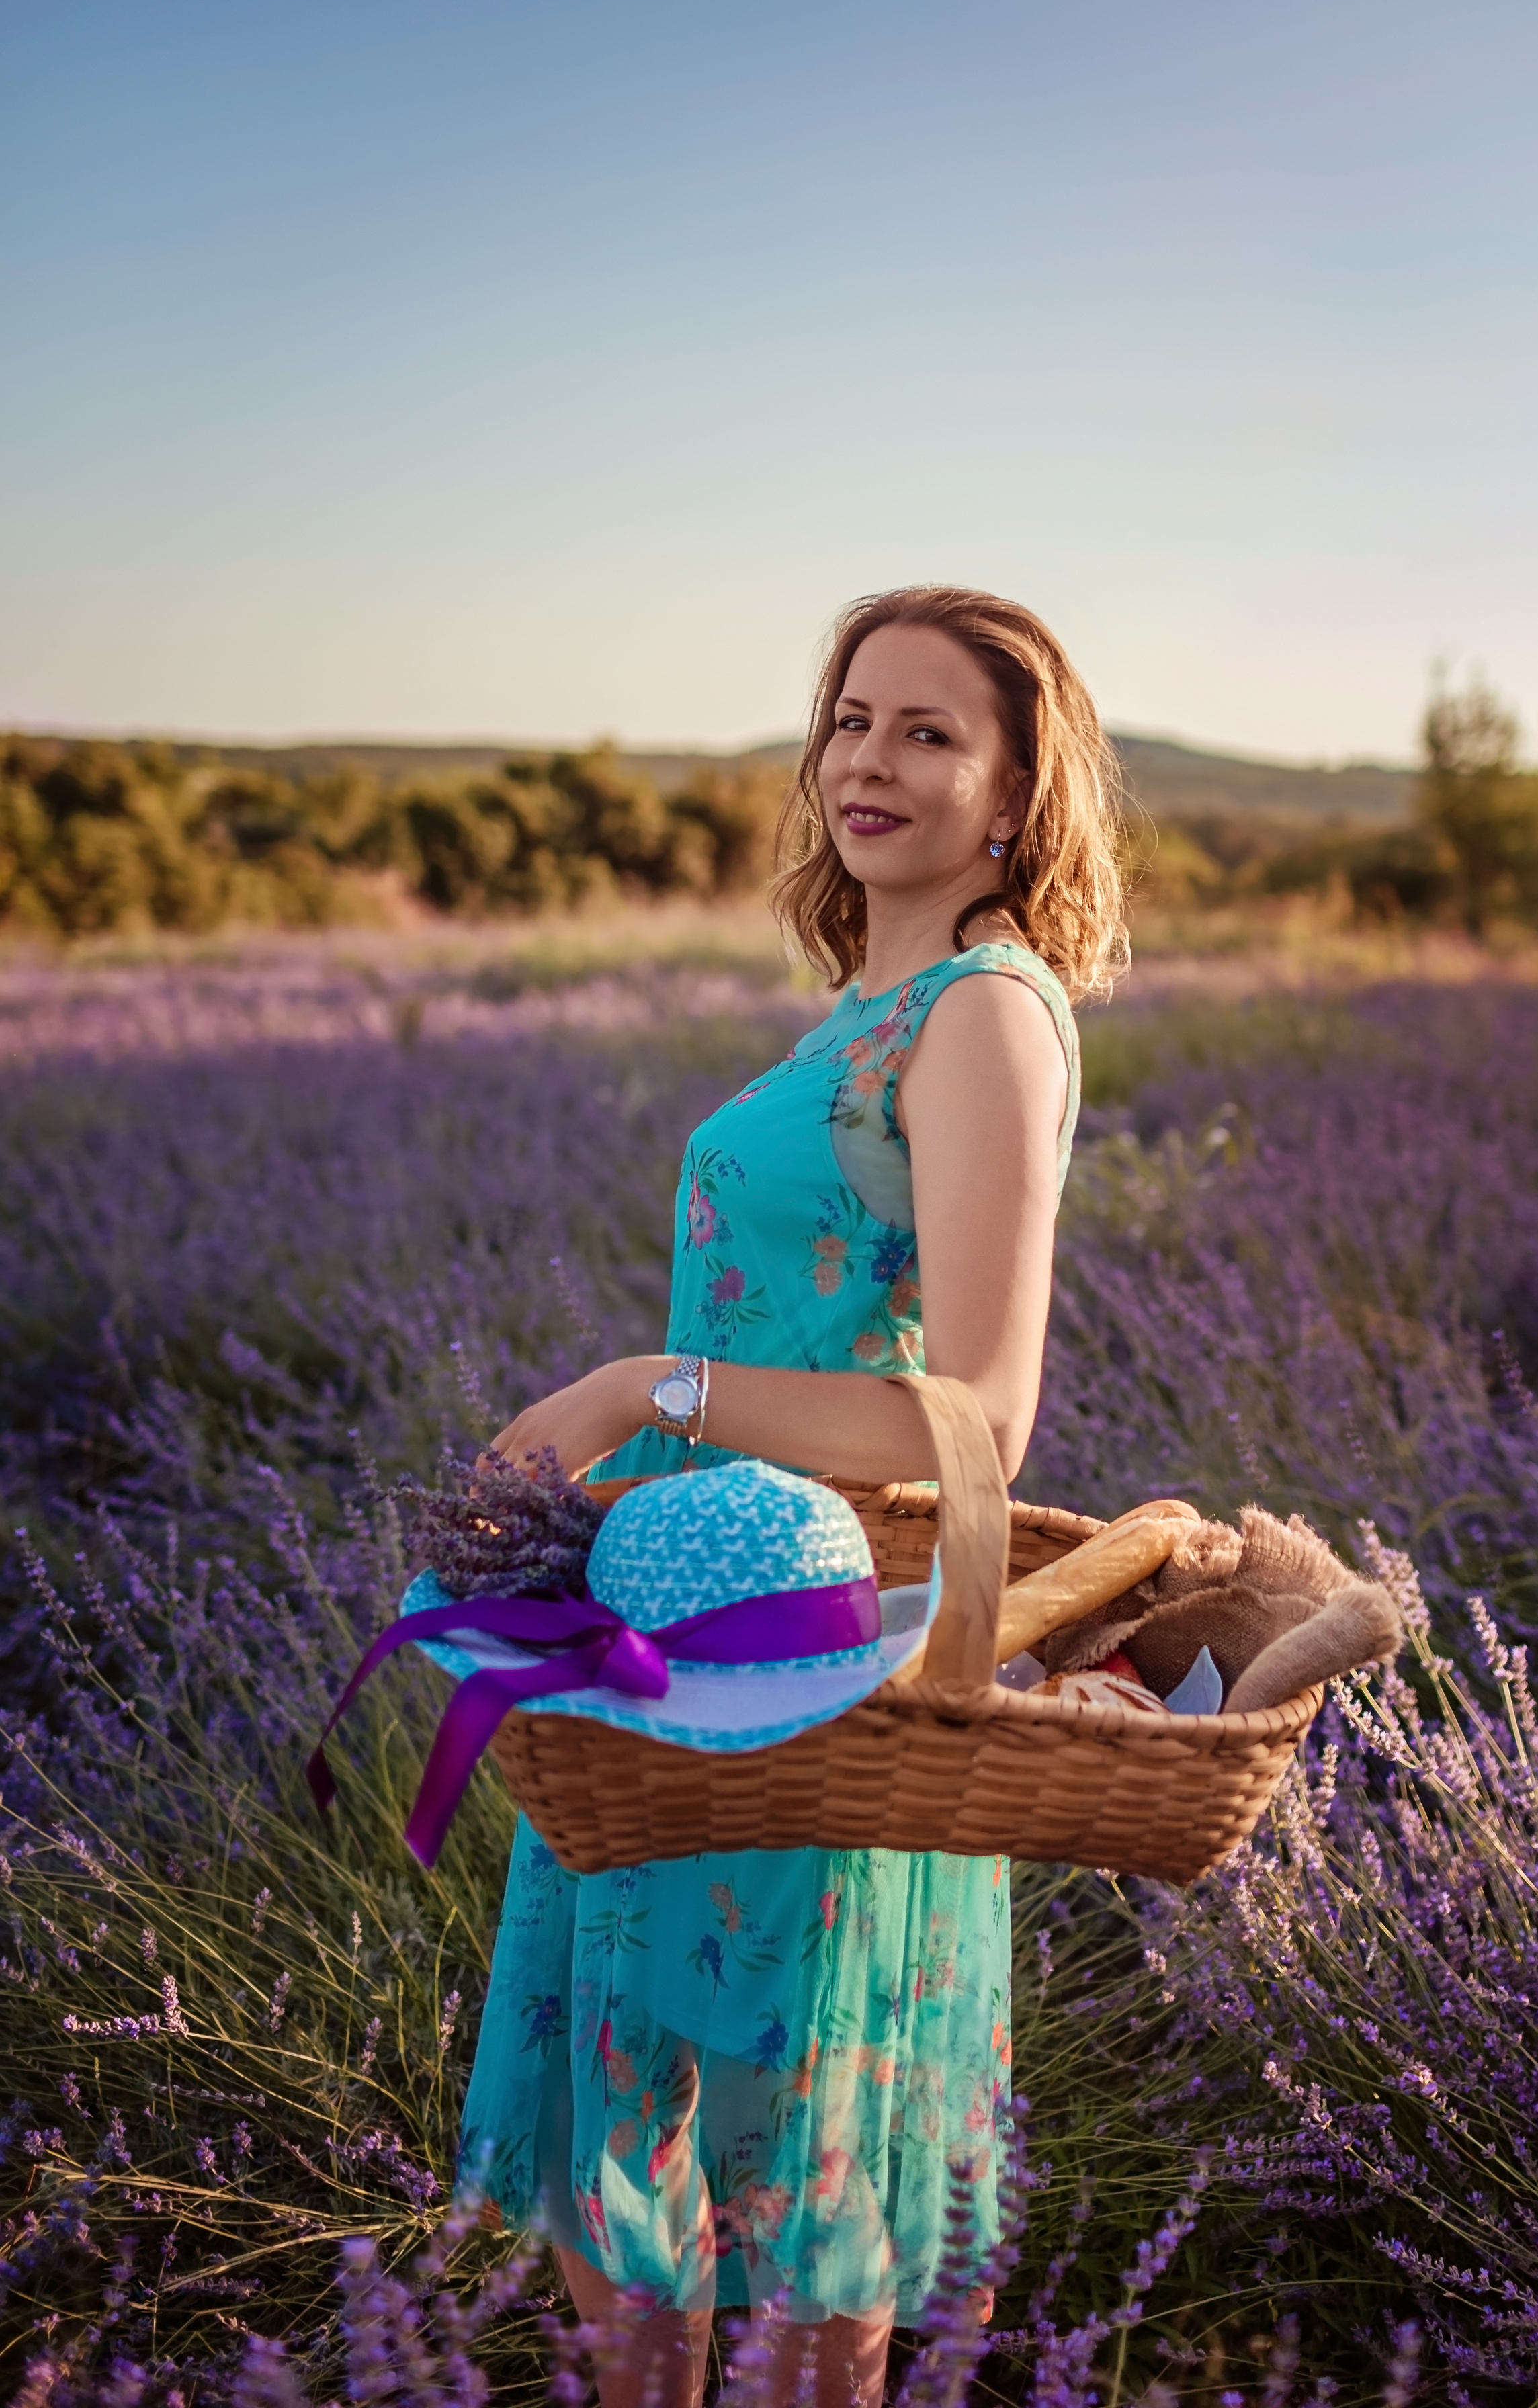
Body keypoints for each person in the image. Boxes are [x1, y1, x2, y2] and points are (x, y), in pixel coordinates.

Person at [461, 584, 1129, 2407]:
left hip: (805, 1644)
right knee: (643, 2154)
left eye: (928, 731)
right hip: (677, 1619)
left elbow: (982, 1417)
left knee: (791, 2166)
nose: (870, 760)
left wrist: (638, 1389)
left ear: (1013, 793)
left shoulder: (987, 1011)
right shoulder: (872, 999)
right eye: (850, 720)